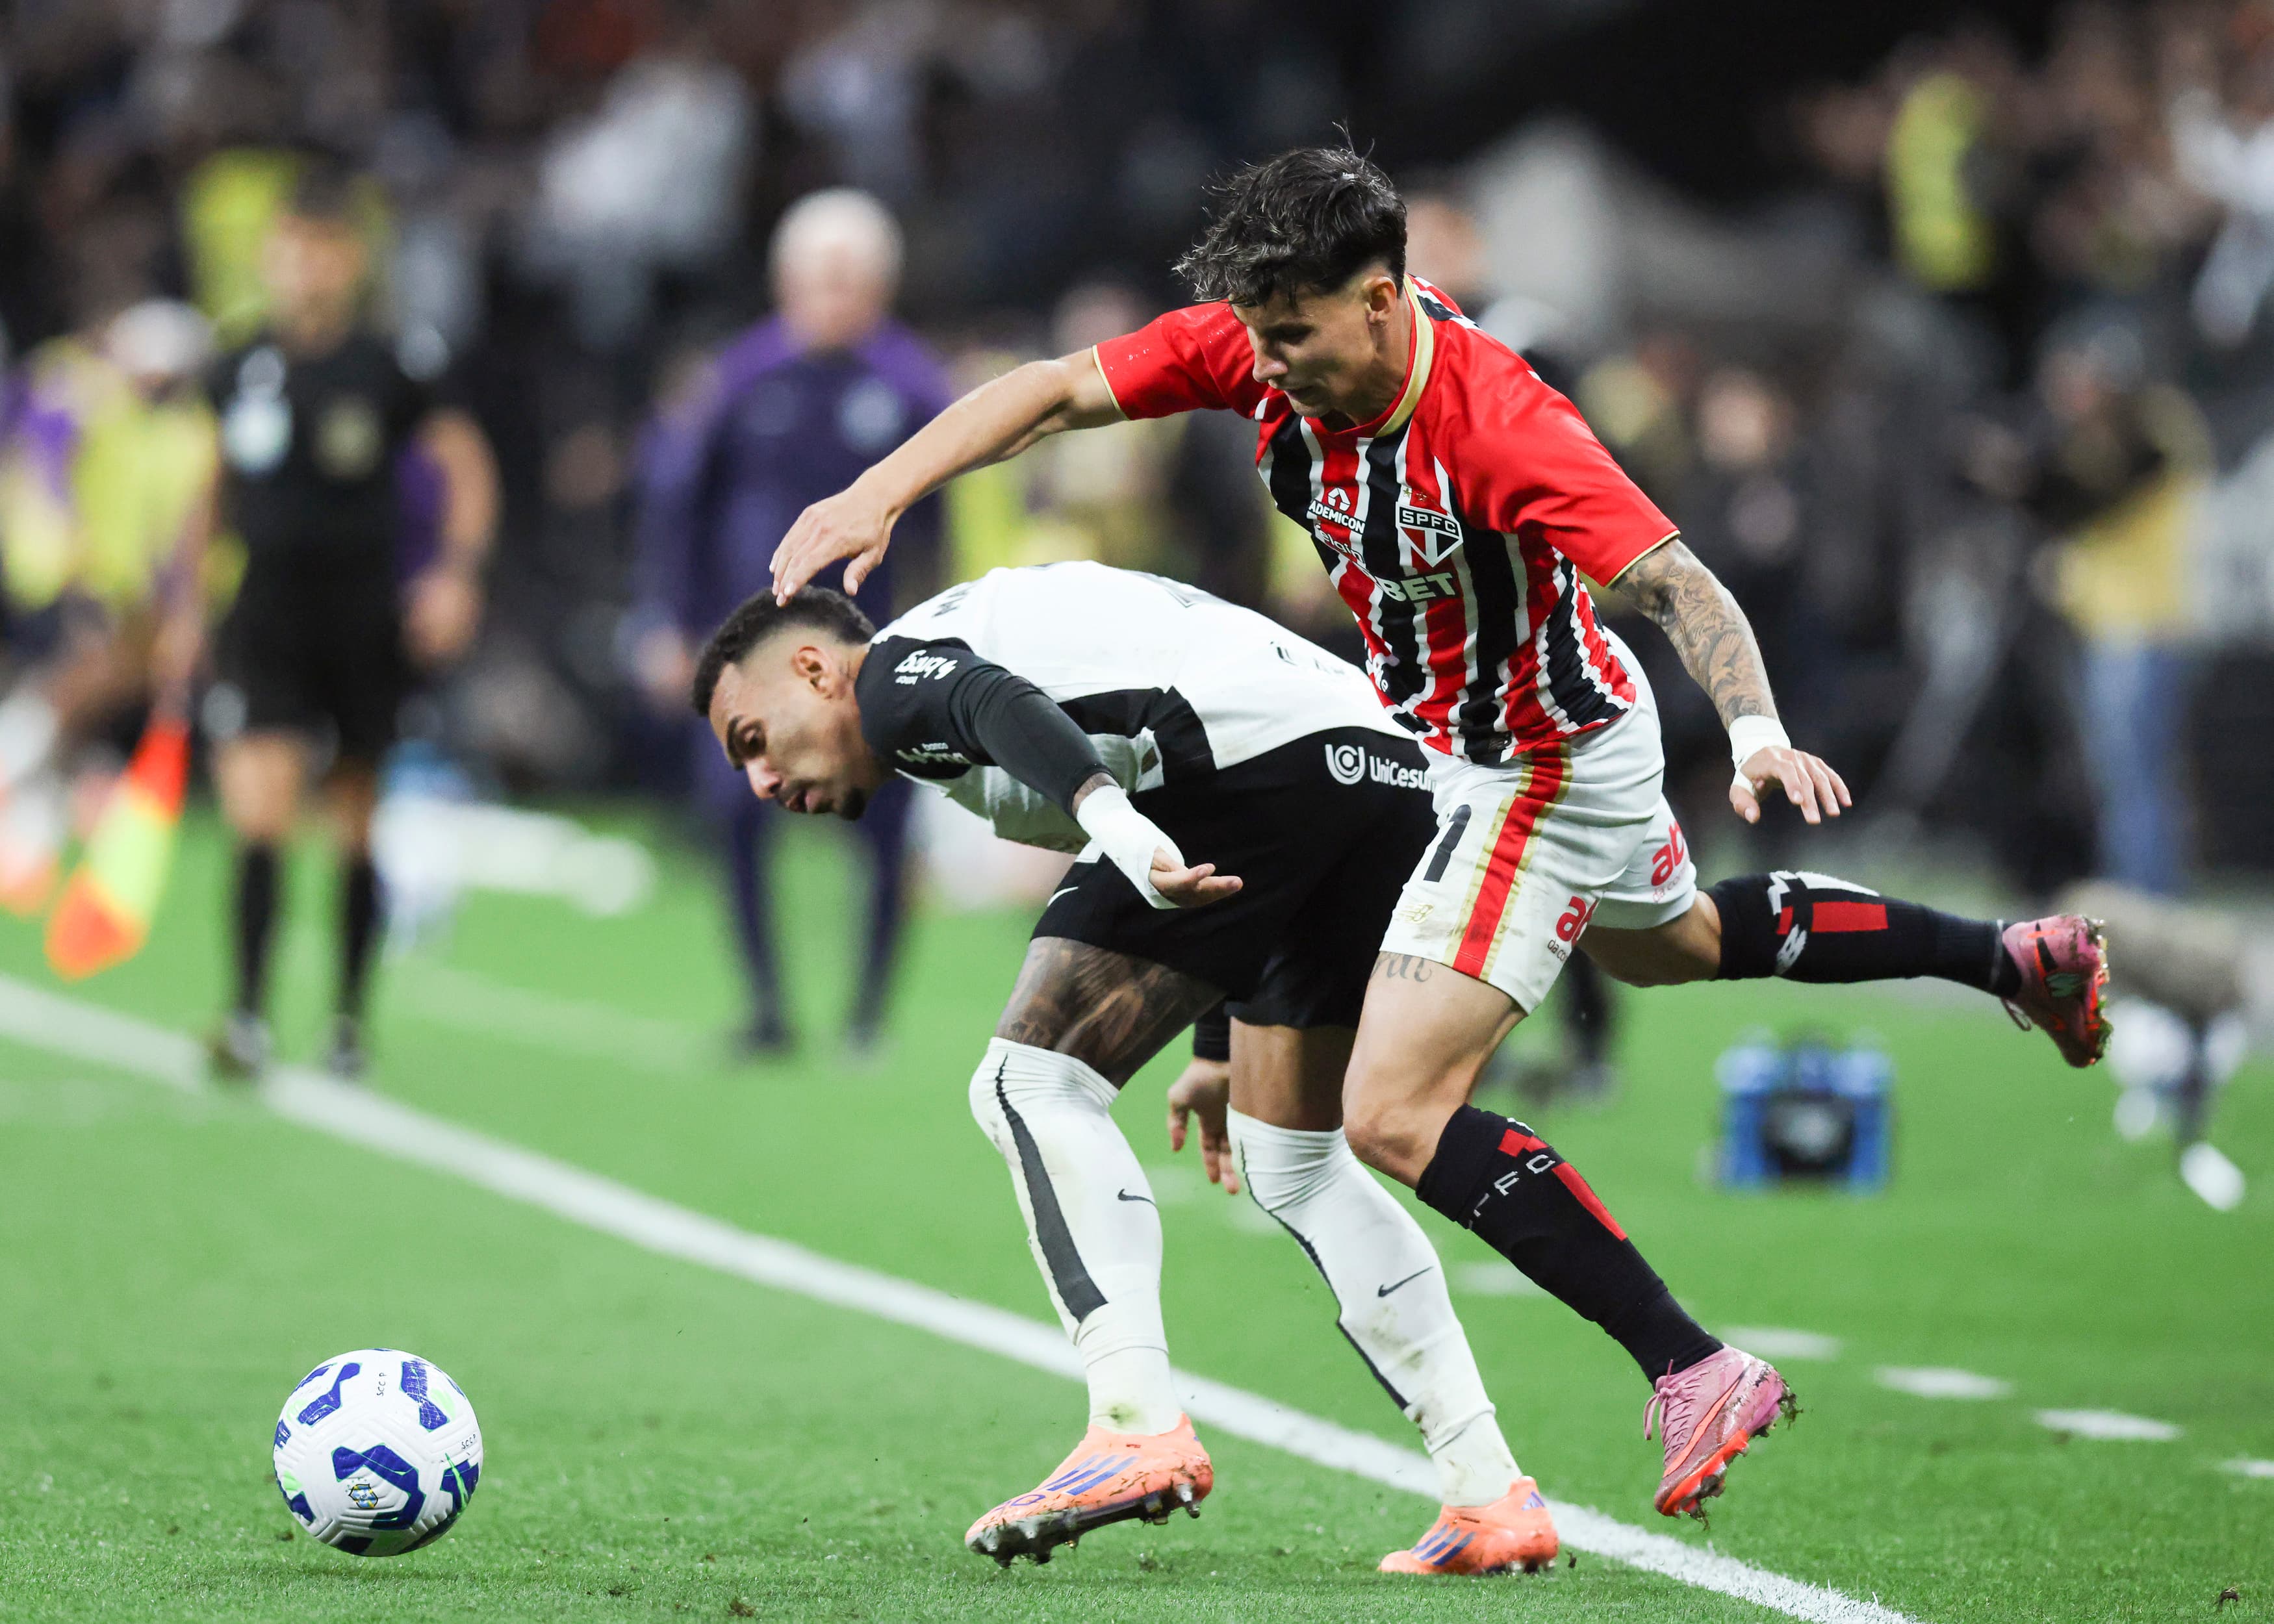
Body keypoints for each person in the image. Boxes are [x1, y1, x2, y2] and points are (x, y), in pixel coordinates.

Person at [769, 146, 2114, 1520]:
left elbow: (1674, 580)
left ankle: (1691, 1362)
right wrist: (883, 489)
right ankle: (2014, 959)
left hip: (1535, 762)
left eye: (1293, 332)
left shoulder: (1494, 416)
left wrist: (1757, 727)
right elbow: (1053, 392)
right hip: (1484, 742)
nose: (1269, 362)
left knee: (1394, 1111)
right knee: (1681, 943)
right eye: (1257, 332)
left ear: (1381, 294)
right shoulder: (1259, 345)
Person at [693, 563, 1559, 1576]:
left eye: (753, 740)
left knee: (1028, 1082)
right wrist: (1214, 1043)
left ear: (812, 668)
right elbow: (1230, 845)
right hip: (1380, 769)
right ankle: (1489, 1488)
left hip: (1245, 766)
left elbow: (991, 700)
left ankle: (1135, 1421)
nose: (760, 782)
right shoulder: (963, 653)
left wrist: (1114, 822)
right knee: (1295, 1160)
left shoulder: (888, 678)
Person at [194, 165, 498, 1080]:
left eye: (324, 249)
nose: (307, 267)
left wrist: (453, 573)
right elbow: (210, 491)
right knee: (259, 807)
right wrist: (184, 604)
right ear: (269, 258)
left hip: (362, 618)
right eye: (291, 249)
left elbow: (465, 467)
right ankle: (246, 1014)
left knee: (356, 816)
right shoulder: (239, 363)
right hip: (266, 613)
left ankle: (347, 1023)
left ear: (352, 260)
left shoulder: (394, 363)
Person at [633, 189, 951, 1056]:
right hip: (755, 652)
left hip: (871, 655)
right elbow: (678, 506)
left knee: (883, 826)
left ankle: (867, 1014)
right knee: (738, 816)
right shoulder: (739, 379)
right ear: (785, 282)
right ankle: (767, 1007)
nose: (832, 295)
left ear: (881, 285)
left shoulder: (914, 385)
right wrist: (666, 620)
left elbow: (942, 526)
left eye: (849, 278)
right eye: (818, 277)